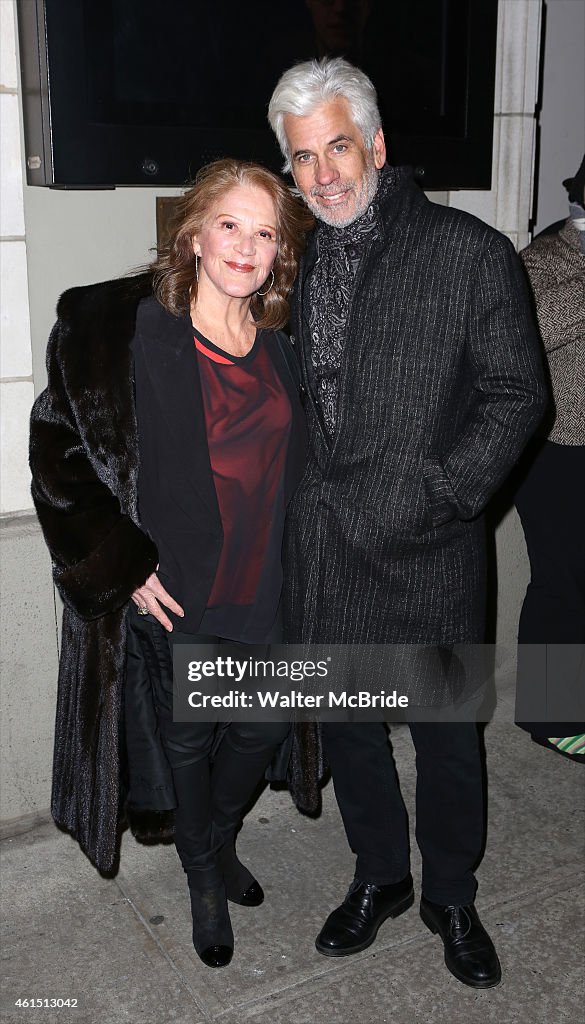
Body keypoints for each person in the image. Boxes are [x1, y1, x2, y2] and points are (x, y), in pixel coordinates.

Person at [268, 58, 546, 988]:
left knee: (443, 737)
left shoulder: (469, 252)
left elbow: (517, 395)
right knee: (351, 732)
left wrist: (441, 490)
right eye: (303, 159)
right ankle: (381, 877)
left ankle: (451, 895)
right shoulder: (302, 261)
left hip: (427, 545)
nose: (325, 175)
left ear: (377, 145)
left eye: (338, 147)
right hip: (331, 544)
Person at [29, 159, 313, 968]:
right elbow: (59, 451)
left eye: (265, 234)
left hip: (269, 582)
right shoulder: (124, 328)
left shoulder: (284, 344)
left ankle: (215, 840)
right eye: (230, 224)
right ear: (191, 231)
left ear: (278, 255)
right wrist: (119, 561)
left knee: (260, 727)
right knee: (188, 741)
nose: (245, 246)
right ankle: (202, 874)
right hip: (179, 586)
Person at [515, 154, 585, 763]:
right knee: (562, 582)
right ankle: (549, 713)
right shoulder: (543, 262)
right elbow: (525, 339)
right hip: (553, 452)